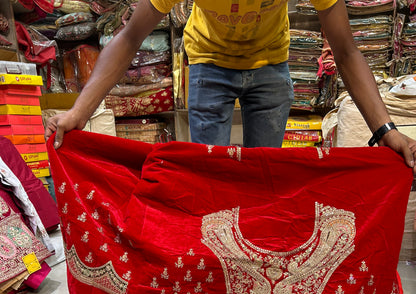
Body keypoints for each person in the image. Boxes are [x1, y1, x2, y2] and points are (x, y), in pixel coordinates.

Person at [45, 0, 416, 172]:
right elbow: (129, 38)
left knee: (262, 174)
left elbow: (347, 50)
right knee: (209, 175)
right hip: (209, 61)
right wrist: (79, 113)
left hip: (270, 62)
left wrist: (386, 131)